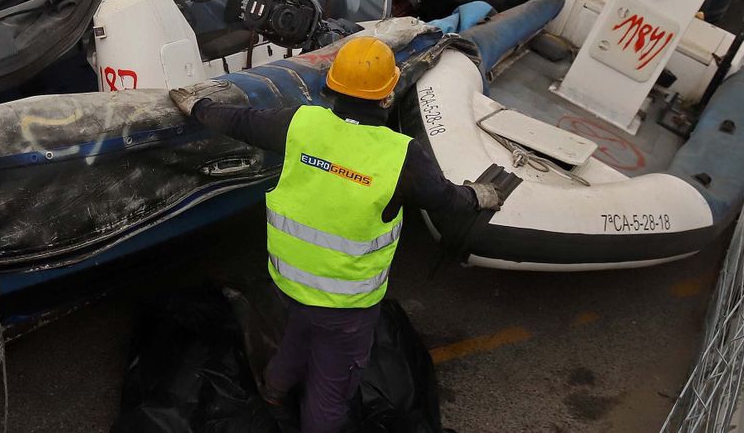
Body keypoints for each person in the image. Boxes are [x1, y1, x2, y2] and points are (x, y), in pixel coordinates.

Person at [171, 37, 512, 433]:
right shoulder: (401, 155)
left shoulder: (301, 124)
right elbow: (446, 199)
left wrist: (199, 106)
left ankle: (274, 390)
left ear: (332, 88)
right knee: (331, 391)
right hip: (346, 307)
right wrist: (479, 196)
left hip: (290, 283)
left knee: (297, 334)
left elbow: (241, 122)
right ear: (387, 97)